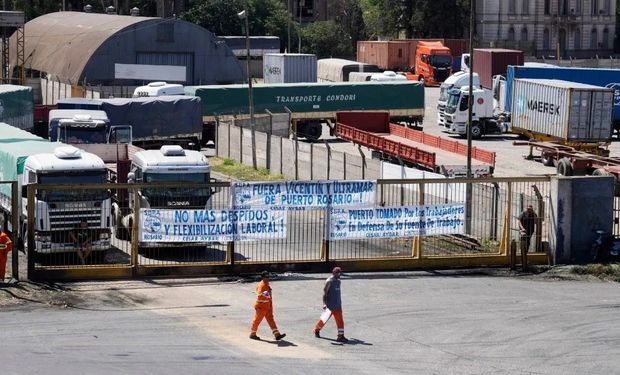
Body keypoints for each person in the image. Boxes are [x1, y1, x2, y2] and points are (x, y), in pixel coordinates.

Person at [249, 271, 286, 341]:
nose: (267, 278)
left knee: (271, 320)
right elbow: (260, 295)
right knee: (257, 320)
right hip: (261, 306)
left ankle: (277, 334)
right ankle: (252, 334)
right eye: (266, 277)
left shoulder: (266, 284)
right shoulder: (262, 285)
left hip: (267, 306)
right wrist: (266, 296)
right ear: (262, 277)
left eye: (268, 277)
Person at [314, 266, 348, 343]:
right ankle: (316, 330)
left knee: (340, 321)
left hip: (338, 305)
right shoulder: (329, 281)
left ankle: (340, 336)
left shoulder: (338, 281)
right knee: (324, 319)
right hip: (330, 305)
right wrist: (324, 304)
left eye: (339, 273)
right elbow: (325, 294)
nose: (339, 275)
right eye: (337, 273)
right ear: (333, 273)